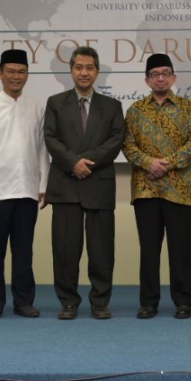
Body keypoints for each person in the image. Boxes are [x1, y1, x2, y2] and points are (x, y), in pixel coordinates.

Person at [44, 46, 125, 320]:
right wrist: (72, 163)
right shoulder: (55, 103)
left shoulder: (112, 106)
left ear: (97, 72)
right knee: (65, 250)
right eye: (79, 67)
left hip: (98, 183)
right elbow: (51, 139)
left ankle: (100, 302)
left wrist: (85, 162)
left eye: (89, 68)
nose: (84, 72)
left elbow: (115, 141)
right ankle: (68, 302)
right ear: (71, 71)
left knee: (101, 250)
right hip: (66, 185)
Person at [123, 53, 191, 320]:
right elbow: (127, 145)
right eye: (155, 74)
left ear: (174, 77)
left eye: (165, 73)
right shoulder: (135, 110)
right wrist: (148, 163)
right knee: (149, 250)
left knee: (181, 249)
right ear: (147, 80)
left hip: (179, 189)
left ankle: (183, 302)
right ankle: (148, 302)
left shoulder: (188, 107)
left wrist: (166, 164)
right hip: (146, 189)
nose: (160, 78)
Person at [0, 49, 49, 320]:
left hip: (27, 189)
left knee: (24, 251)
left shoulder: (36, 106)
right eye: (11, 71)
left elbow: (41, 149)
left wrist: (43, 183)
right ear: (0, 74)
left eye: (21, 72)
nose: (16, 77)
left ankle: (24, 301)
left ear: (27, 74)